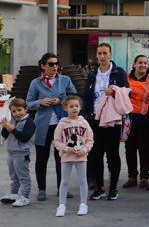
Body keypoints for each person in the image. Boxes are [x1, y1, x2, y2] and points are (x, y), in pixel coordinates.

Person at [26, 52, 77, 201]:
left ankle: (62, 188)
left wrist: (61, 100)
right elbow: (28, 103)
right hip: (42, 125)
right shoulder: (36, 83)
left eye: (56, 64)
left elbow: (74, 96)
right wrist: (39, 103)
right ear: (43, 65)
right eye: (51, 64)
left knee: (62, 158)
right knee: (41, 159)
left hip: (62, 125)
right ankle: (41, 189)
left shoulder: (65, 80)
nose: (54, 67)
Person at [81, 43, 129, 201]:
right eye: (100, 53)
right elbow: (86, 95)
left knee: (112, 154)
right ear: (96, 55)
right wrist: (85, 115)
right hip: (94, 118)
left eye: (105, 53)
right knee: (95, 154)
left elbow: (127, 92)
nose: (102, 56)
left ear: (110, 54)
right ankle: (100, 187)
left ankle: (113, 187)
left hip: (112, 119)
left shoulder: (119, 72)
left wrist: (114, 91)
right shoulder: (92, 73)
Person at [53, 96, 94, 217]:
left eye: (76, 106)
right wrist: (67, 149)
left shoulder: (84, 123)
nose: (74, 108)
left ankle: (83, 204)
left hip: (81, 156)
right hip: (66, 156)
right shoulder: (61, 124)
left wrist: (85, 150)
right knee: (64, 181)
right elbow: (56, 141)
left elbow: (90, 139)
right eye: (71, 106)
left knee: (82, 180)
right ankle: (61, 205)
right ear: (65, 108)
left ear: (80, 107)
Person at [123, 55, 149, 189]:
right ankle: (131, 177)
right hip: (129, 120)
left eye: (145, 63)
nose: (143, 65)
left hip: (145, 121)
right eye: (140, 62)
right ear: (134, 64)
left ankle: (143, 177)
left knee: (144, 150)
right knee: (129, 149)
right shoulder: (126, 80)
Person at [1, 98, 36, 207]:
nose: (16, 113)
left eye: (19, 110)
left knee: (23, 176)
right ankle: (14, 193)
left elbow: (24, 138)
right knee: (13, 175)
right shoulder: (12, 120)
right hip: (10, 152)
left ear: (26, 109)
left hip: (21, 154)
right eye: (13, 111)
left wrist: (12, 129)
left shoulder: (30, 122)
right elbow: (5, 135)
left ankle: (25, 197)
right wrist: (5, 127)